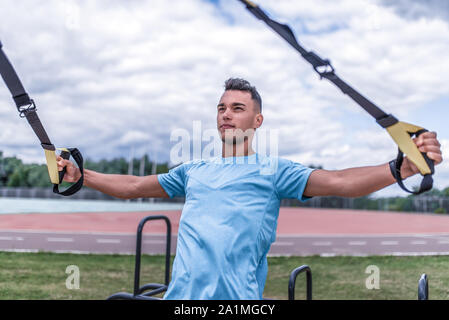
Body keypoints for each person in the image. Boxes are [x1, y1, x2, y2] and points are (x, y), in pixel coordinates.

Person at [57, 78, 443, 300]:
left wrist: (400, 167)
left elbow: (340, 182)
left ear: (257, 119)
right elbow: (134, 185)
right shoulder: (194, 170)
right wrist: (81, 175)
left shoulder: (273, 170)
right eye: (222, 107)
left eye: (237, 108)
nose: (226, 114)